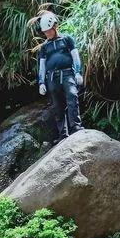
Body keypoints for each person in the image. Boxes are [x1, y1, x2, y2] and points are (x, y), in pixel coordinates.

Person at [36, 12, 84, 142]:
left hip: (68, 73)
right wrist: (41, 82)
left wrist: (78, 72)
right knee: (57, 106)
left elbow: (75, 56)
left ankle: (76, 127)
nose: (47, 33)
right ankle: (63, 134)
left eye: (49, 30)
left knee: (72, 97)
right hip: (52, 78)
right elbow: (42, 66)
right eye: (45, 32)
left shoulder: (67, 39)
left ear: (55, 26)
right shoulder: (44, 47)